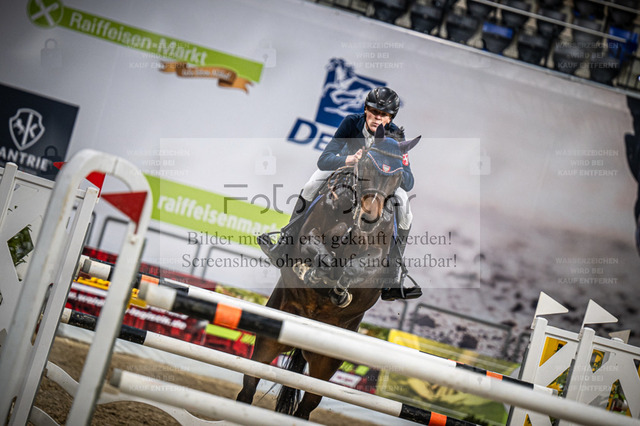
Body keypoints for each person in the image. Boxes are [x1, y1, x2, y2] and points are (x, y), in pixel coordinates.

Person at [258, 87, 422, 300]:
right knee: (311, 184)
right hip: (346, 171)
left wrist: (395, 168)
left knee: (406, 209)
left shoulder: (397, 138)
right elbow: (324, 160)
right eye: (374, 111)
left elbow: (409, 182)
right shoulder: (351, 123)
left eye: (384, 115)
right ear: (366, 109)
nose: (377, 118)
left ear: (390, 118)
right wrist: (349, 159)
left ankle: (392, 276)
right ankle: (285, 242)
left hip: (378, 183)